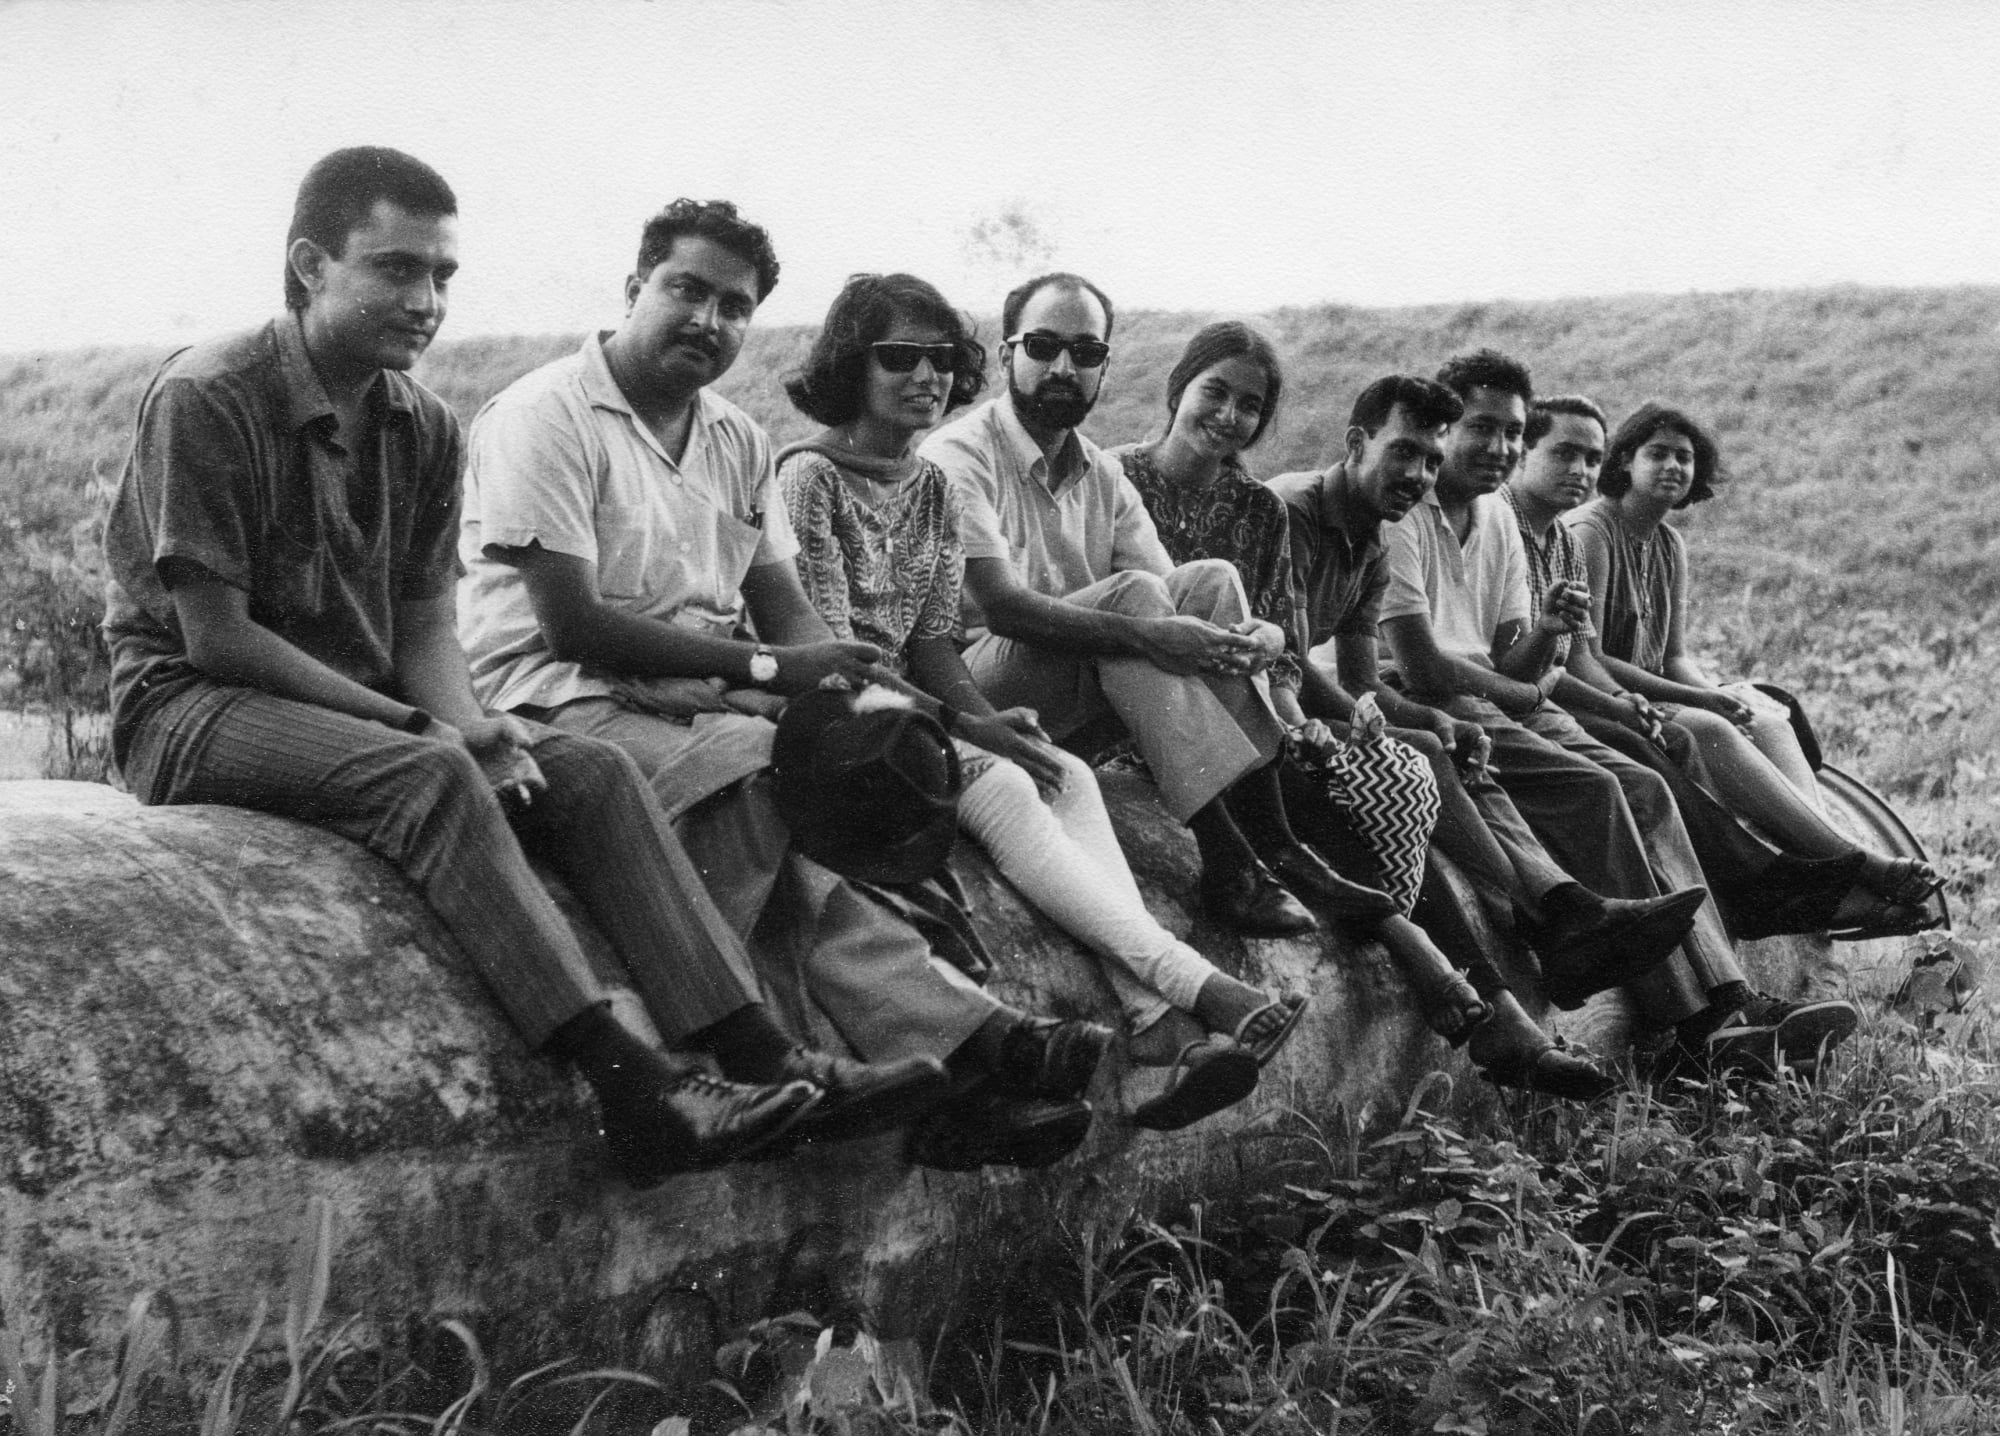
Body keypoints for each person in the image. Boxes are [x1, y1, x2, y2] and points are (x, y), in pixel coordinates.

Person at [98, 147, 942, 1191]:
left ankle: (766, 1056)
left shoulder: (421, 423)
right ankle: (637, 1089)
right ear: (311, 265)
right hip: (195, 705)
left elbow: (424, 627)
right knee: (432, 776)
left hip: (352, 706)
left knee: (589, 771)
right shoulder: (210, 392)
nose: (426, 301)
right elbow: (217, 638)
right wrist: (430, 731)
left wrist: (471, 719)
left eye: (442, 275)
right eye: (395, 269)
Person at [457, 202, 1104, 1171]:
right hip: (554, 694)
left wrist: (845, 693)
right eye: (686, 289)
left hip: (696, 693)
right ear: (635, 288)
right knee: (764, 777)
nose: (707, 319)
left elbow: (785, 608)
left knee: (850, 772)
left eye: (735, 305)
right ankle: (935, 1051)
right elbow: (571, 624)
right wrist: (763, 672)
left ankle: (945, 1076)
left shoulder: (735, 439)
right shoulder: (544, 414)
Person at [776, 277, 1307, 1131]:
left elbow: (930, 639)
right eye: (900, 357)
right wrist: (968, 721)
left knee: (1070, 775)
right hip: (857, 721)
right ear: (850, 365)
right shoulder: (816, 477)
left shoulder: (926, 483)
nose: (925, 377)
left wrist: (1248, 639)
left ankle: (1159, 1030)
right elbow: (840, 658)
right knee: (1020, 786)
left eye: (940, 360)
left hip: (939, 700)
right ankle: (1207, 981)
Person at [1378, 350, 1857, 1077]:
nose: (1500, 447)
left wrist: (1546, 633)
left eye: (1512, 433)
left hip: (1493, 696)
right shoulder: (1406, 515)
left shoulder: (1496, 517)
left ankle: (1730, 995)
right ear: (1443, 426)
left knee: (1644, 787)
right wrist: (1528, 689)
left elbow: (1513, 659)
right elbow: (1422, 667)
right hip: (1432, 700)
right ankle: (1699, 1023)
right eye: (1481, 428)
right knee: (1603, 789)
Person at [1266, 372, 1734, 1097]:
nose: (1419, 473)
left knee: (1585, 771)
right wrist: (1448, 711)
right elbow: (1319, 667)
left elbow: (1360, 679)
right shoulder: (1304, 512)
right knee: (1458, 759)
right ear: (1357, 443)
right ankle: (1546, 925)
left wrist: (1448, 702)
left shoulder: (1392, 532)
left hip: (1387, 699)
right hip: (1283, 707)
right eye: (1406, 452)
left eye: (1430, 458)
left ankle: (1586, 937)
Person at [919, 274, 1389, 942]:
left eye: (1086, 352)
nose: (1064, 367)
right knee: (1136, 604)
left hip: (1075, 698)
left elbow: (1177, 598)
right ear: (1006, 355)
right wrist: (1150, 634)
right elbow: (1002, 608)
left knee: (1213, 581)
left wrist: (1255, 634)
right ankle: (1227, 861)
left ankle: (1278, 843)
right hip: (982, 699)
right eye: (1043, 346)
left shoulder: (1099, 472)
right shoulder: (961, 453)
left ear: (1104, 366)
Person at [1504, 395, 1932, 943]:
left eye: (1684, 458)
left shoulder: (1668, 542)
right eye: (1657, 454)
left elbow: (1674, 655)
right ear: (1626, 461)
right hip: (1609, 690)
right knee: (1710, 728)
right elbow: (1593, 657)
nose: (1672, 467)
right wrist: (1704, 702)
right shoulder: (1591, 532)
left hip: (1651, 687)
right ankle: (1849, 864)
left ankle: (1827, 853)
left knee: (1768, 721)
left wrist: (1720, 693)